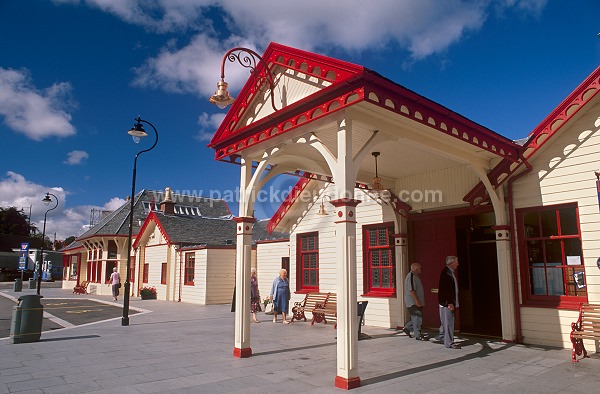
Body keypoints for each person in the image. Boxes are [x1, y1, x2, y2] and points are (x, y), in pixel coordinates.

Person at [436, 256, 460, 349]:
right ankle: (449, 342)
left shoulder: (449, 272)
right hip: (447, 304)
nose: (458, 264)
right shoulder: (446, 273)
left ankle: (443, 337)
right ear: (452, 263)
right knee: (448, 323)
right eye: (456, 262)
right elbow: (445, 289)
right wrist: (449, 302)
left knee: (447, 322)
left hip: (448, 303)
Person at [403, 263, 426, 340]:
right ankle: (418, 335)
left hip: (415, 301)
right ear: (416, 269)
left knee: (415, 318)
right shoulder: (411, 277)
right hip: (413, 302)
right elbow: (412, 290)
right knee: (417, 318)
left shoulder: (415, 277)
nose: (421, 270)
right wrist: (417, 301)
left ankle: (407, 328)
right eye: (420, 268)